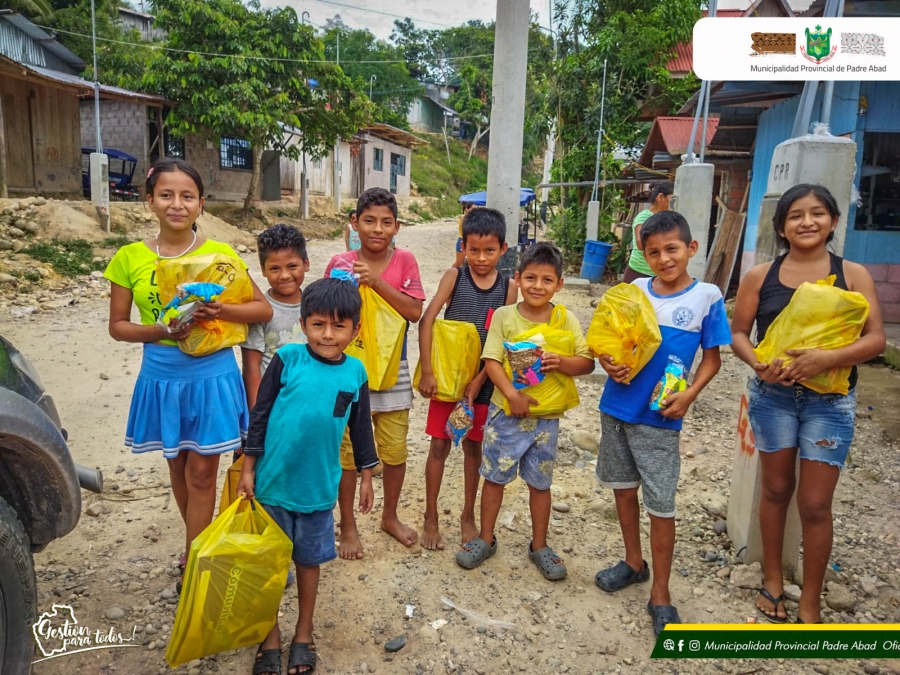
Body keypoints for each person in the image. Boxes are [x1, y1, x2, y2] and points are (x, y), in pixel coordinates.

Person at [105, 157, 273, 593]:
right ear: (149, 201)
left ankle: (197, 562)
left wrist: (222, 309)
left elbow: (262, 309)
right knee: (178, 470)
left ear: (201, 204)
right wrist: (163, 329)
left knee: (202, 473)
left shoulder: (220, 257)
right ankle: (197, 545)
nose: (176, 204)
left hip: (212, 374)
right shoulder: (129, 258)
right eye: (166, 195)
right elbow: (118, 326)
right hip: (161, 376)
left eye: (187, 196)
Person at [731, 184, 885, 624]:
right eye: (796, 215)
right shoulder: (761, 276)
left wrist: (829, 358)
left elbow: (876, 339)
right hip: (773, 398)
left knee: (816, 504)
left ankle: (812, 599)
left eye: (818, 213)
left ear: (834, 221)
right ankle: (774, 581)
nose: (807, 222)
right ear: (782, 227)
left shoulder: (853, 275)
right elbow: (740, 333)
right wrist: (759, 363)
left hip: (830, 403)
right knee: (776, 489)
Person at [593, 210, 731, 636]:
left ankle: (662, 594)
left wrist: (689, 395)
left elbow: (712, 359)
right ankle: (634, 562)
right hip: (616, 407)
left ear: (691, 249)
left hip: (661, 416)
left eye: (671, 249)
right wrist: (607, 361)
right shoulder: (634, 289)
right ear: (644, 256)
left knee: (661, 504)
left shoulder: (707, 297)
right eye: (653, 252)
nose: (663, 259)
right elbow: (609, 339)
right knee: (622, 488)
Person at [238, 278, 378, 675]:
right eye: (318, 325)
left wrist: (367, 476)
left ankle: (303, 631)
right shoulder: (287, 361)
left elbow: (360, 429)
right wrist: (248, 469)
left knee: (308, 562)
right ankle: (269, 634)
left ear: (356, 329)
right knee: (268, 564)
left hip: (318, 489)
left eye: (338, 326)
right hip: (272, 485)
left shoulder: (355, 372)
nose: (328, 335)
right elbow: (260, 416)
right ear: (303, 323)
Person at [456, 242, 595, 579]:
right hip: (506, 415)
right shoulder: (505, 316)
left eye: (547, 280)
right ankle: (486, 539)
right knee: (494, 478)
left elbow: (587, 362)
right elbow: (491, 360)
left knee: (540, 483)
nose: (538, 286)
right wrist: (511, 395)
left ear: (559, 285)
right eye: (530, 277)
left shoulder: (566, 319)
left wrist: (561, 362)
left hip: (546, 419)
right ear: (517, 278)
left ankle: (540, 545)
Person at [324, 187, 425, 558]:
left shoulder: (406, 262)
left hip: (393, 370)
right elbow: (327, 313)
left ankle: (390, 516)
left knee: (394, 450)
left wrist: (376, 282)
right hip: (347, 372)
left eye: (386, 222)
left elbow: (413, 312)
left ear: (397, 226)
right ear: (354, 223)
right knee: (347, 453)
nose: (377, 229)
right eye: (369, 221)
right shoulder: (340, 260)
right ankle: (347, 525)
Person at [417, 207, 518, 551]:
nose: (480, 258)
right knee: (440, 446)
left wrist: (479, 381)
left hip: (485, 383)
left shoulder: (509, 287)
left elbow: (502, 341)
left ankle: (467, 516)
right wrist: (428, 370)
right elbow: (427, 320)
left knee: (474, 447)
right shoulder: (454, 276)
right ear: (464, 246)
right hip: (448, 380)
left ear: (503, 250)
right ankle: (430, 515)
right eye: (473, 250)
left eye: (489, 251)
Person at [241, 224, 310, 413]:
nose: (285, 275)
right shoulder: (259, 312)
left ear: (306, 264)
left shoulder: (315, 306)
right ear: (263, 270)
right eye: (274, 268)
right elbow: (251, 366)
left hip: (308, 403)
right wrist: (257, 416)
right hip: (274, 408)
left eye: (292, 266)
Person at [624, 181, 674, 283]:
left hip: (656, 272)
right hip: (639, 273)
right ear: (660, 197)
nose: (674, 203)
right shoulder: (644, 217)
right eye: (672, 199)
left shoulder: (665, 217)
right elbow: (640, 243)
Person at [455, 202, 477, 267]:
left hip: (470, 241)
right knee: (458, 263)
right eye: (472, 209)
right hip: (463, 240)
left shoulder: (472, 218)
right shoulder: (464, 218)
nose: (474, 211)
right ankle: (451, 274)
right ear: (467, 209)